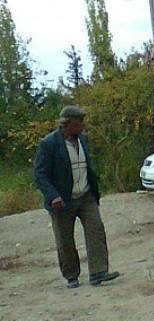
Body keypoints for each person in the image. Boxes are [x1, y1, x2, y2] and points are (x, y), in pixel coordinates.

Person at [33, 106, 119, 288]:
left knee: (96, 230)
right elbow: (40, 174)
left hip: (86, 195)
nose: (83, 126)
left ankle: (98, 272)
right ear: (68, 124)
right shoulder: (48, 144)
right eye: (80, 123)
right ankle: (71, 276)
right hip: (62, 201)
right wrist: (53, 196)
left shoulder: (83, 140)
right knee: (65, 240)